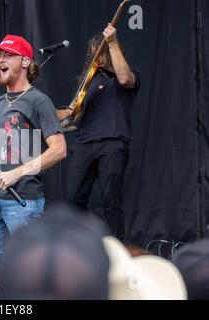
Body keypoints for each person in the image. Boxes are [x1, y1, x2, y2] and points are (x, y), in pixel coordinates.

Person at [0, 35, 66, 253]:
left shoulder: (38, 101)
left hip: (24, 202)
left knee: (27, 269)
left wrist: (18, 172)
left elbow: (59, 149)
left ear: (26, 62)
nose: (1, 60)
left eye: (8, 55)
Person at [57, 25, 141, 241]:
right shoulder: (86, 83)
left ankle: (118, 252)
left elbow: (125, 79)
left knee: (111, 201)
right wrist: (41, 107)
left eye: (102, 49)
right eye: (96, 50)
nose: (99, 54)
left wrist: (111, 42)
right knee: (73, 200)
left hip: (112, 142)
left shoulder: (125, 76)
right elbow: (71, 115)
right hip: (85, 142)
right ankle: (88, 242)